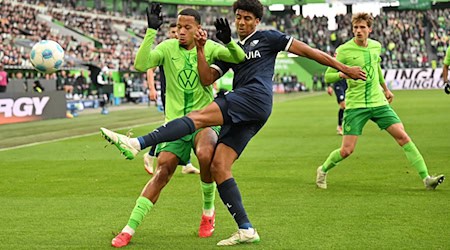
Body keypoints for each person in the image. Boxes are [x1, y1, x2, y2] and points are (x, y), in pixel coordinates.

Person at [100, 0, 365, 246]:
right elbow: (206, 78)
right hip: (249, 112)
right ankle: (246, 228)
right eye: (238, 17)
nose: (241, 23)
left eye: (247, 18)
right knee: (219, 165)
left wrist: (343, 68)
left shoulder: (268, 38)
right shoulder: (228, 48)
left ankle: (137, 142)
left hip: (253, 97)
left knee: (197, 117)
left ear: (257, 21)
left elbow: (309, 51)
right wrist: (204, 50)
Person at [107, 5, 246, 248]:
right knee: (163, 172)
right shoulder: (167, 47)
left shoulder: (210, 47)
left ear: (198, 29)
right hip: (174, 124)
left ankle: (208, 212)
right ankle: (128, 229)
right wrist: (151, 31)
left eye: (186, 27)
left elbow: (239, 58)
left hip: (203, 121)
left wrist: (229, 41)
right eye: (178, 27)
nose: (180, 31)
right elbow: (141, 65)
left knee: (205, 154)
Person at [316, 13, 444, 190]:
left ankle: (427, 179)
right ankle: (322, 170)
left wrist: (385, 89)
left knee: (403, 136)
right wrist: (344, 73)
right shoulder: (344, 50)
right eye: (355, 27)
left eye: (362, 27)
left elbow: (376, 67)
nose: (358, 31)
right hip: (356, 105)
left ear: (370, 29)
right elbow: (328, 76)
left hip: (378, 102)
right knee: (347, 150)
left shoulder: (376, 46)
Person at [144, 23, 200, 175]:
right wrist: (152, 88)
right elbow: (150, 69)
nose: (178, 34)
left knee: (184, 125)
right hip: (169, 94)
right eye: (174, 32)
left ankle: (186, 163)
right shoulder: (166, 49)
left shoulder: (185, 49)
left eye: (180, 31)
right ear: (169, 34)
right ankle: (150, 155)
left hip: (183, 95)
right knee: (173, 126)